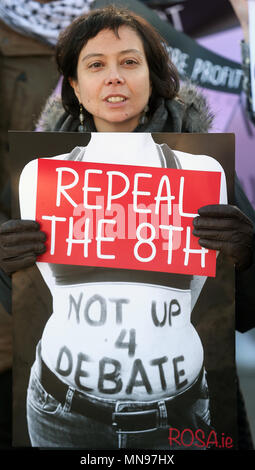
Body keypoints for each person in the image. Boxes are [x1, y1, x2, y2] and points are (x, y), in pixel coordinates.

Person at [1, 5, 255, 449]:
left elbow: (247, 315)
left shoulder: (207, 177)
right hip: (61, 419)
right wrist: (4, 267)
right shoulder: (39, 180)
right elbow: (20, 307)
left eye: (130, 62)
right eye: (96, 64)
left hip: (182, 418)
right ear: (75, 87)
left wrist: (250, 256)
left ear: (153, 79)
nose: (114, 76)